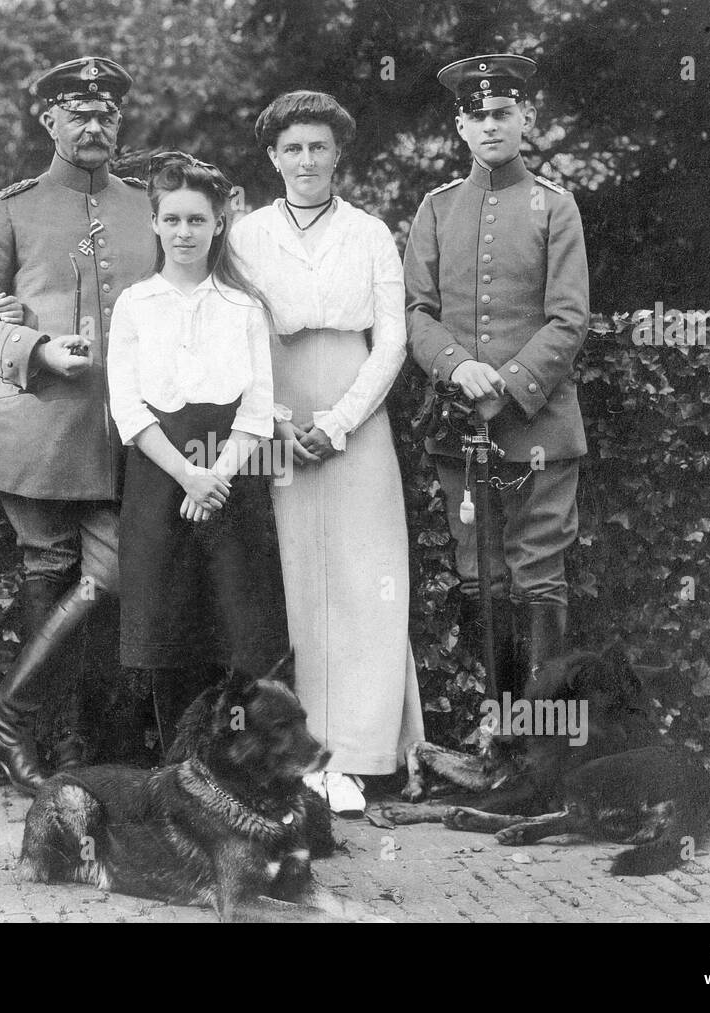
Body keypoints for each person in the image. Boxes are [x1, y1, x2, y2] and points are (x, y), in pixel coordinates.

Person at [0, 57, 157, 790]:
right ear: (50, 121)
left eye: (106, 114)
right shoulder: (14, 207)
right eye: (78, 112)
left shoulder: (147, 206)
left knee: (116, 574)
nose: (94, 125)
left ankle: (7, 723)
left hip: (125, 435)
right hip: (33, 428)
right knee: (46, 570)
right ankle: (49, 746)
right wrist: (29, 346)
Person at [230, 92, 424, 815]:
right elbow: (239, 334)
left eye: (318, 146)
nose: (306, 160)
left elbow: (394, 342)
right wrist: (277, 422)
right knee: (293, 582)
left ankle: (360, 753)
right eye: (292, 148)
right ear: (272, 158)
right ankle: (300, 755)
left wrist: (337, 422)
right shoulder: (245, 235)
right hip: (275, 418)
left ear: (338, 153)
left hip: (355, 418)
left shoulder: (372, 232)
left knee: (365, 579)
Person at [403, 54, 590, 696]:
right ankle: (499, 731)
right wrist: (458, 368)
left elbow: (570, 318)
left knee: (539, 574)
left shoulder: (555, 207)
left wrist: (505, 381)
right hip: (461, 425)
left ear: (526, 118)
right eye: (477, 115)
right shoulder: (436, 208)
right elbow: (416, 311)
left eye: (502, 113)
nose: (490, 126)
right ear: (460, 126)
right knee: (478, 574)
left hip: (539, 423)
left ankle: (543, 745)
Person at [107, 152, 289, 752]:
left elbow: (258, 410)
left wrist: (216, 478)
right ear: (155, 225)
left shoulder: (243, 307)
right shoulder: (136, 304)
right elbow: (128, 409)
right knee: (168, 620)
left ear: (219, 225)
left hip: (233, 475)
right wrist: (187, 476)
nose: (184, 232)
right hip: (161, 475)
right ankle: (178, 764)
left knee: (236, 622)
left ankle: (237, 762)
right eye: (173, 220)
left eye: (197, 220)